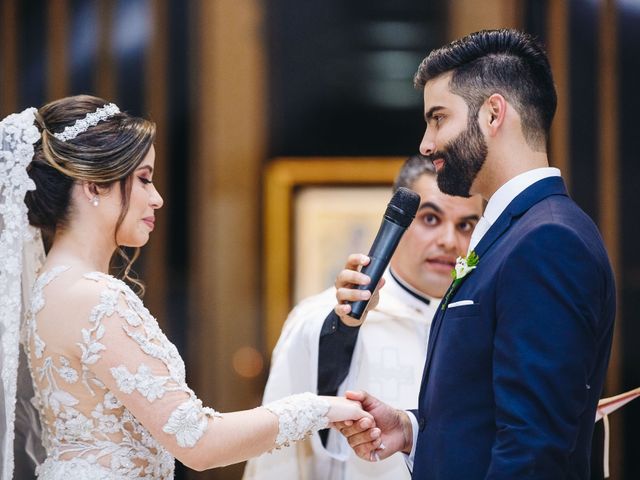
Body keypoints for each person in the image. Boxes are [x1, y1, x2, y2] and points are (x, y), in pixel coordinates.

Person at [0, 95, 372, 480]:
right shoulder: (94, 297)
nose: (157, 198)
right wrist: (318, 410)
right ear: (94, 186)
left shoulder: (52, 286)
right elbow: (198, 441)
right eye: (143, 179)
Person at [338, 29, 616, 479]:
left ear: (492, 114)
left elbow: (533, 448)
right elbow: (490, 409)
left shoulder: (548, 241)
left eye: (438, 118)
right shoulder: (514, 233)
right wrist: (412, 429)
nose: (426, 144)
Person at [243, 156, 483, 479]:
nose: (449, 241)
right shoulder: (328, 317)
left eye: (466, 225)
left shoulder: (482, 324)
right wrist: (344, 326)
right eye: (429, 218)